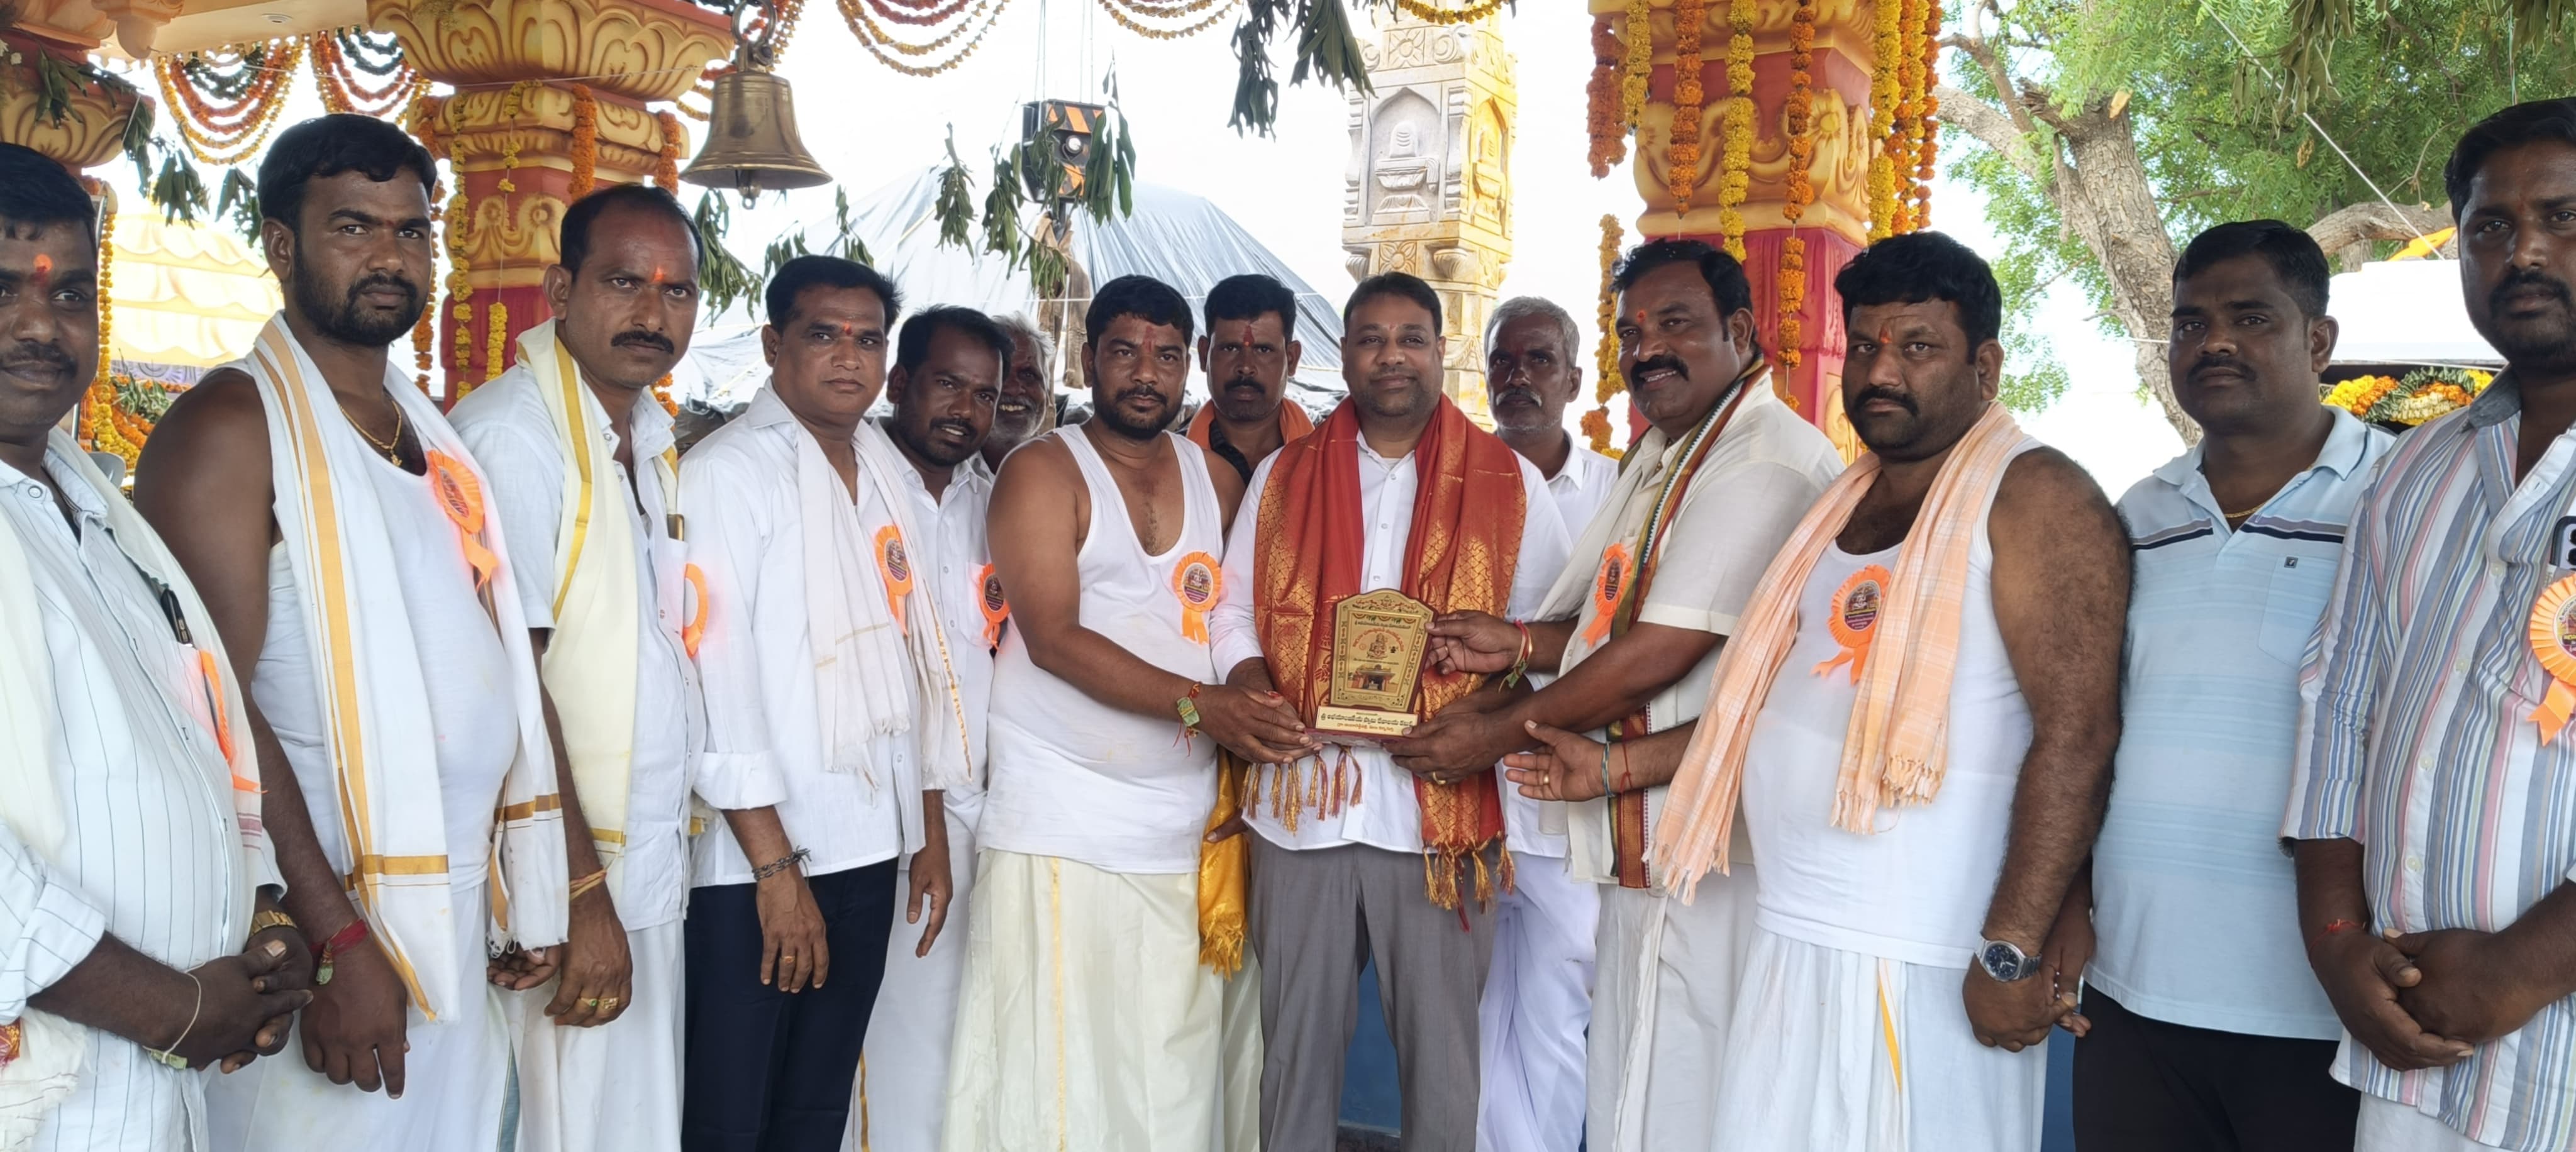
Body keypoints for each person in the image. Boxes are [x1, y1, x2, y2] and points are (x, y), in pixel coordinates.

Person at [1518, 232, 2126, 1149]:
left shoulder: (2034, 496)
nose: (1882, 371)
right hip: (1788, 936)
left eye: (1917, 346)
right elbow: (1771, 712)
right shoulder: (1845, 503)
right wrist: (1615, 769)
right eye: (1867, 345)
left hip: (1921, 954)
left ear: (1986, 366)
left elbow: (2078, 737)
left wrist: (2010, 947)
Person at [136, 114, 573, 1152]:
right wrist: (334, 938)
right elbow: (207, 712)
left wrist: (530, 887)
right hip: (331, 934)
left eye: (411, 231)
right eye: (353, 227)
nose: (390, 255)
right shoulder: (233, 428)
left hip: (456, 915)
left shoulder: (428, 430)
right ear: (281, 245)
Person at [1412, 242, 1841, 1152]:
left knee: (1692, 1082)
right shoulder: (1667, 454)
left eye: (1674, 324)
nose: (1647, 349)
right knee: (1630, 1072)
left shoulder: (1761, 458)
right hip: (1639, 823)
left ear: (1739, 330)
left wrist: (1494, 732)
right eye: (1632, 332)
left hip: (1711, 840)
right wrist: (1522, 643)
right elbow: (1619, 622)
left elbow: (1660, 650)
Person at [1210, 271, 1573, 1152]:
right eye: (1371, 339)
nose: (1391, 356)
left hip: (1438, 815)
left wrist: (1483, 719)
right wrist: (1257, 686)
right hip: (1304, 805)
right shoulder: (1285, 476)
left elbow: (1551, 637)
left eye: (1411, 338)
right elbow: (1231, 612)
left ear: (1441, 351)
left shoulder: (1510, 481)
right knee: (1294, 1056)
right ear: (1344, 356)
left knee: (1444, 1063)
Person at [0, 141, 311, 1152]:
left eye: (70, 294)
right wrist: (170, 1008)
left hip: (154, 1081)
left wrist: (262, 909)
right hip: (47, 1090)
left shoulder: (92, 503)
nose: (40, 325)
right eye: (3, 290)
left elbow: (195, 726)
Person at [2289, 97, 2576, 1152]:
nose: (2524, 252)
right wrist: (2336, 944)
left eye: (2562, 217)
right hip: (2414, 1057)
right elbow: (2337, 708)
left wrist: (2519, 970)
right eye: (2490, 227)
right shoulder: (2416, 468)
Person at [2061, 221, 2384, 1151]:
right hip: (2132, 990)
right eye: (2190, 323)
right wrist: (2071, 905)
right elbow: (2090, 725)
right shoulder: (2139, 511)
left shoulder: (2397, 494)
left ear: (2318, 341)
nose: (2215, 344)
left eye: (2251, 318)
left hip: (2319, 1004)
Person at [944, 275, 1277, 1151]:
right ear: (1089, 358)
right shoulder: (1042, 471)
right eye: (1124, 352)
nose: (1145, 374)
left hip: (1183, 820)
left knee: (1172, 1063)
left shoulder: (1217, 479)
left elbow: (1234, 620)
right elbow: (1052, 637)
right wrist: (1204, 706)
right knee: (1062, 1063)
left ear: (1189, 365)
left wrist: (1248, 704)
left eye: (1165, 356)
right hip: (1063, 816)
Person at [677, 255, 969, 1152]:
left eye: (868, 339)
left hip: (869, 844)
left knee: (816, 1104)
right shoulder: (728, 474)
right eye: (823, 335)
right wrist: (776, 873)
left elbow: (916, 666)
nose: (849, 357)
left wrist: (926, 831)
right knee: (732, 1109)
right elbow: (720, 684)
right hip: (757, 866)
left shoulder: (883, 471)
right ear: (774, 344)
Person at [447, 182, 708, 1152]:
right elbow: (510, 687)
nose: (653, 313)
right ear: (561, 289)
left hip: (640, 860)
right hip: (567, 881)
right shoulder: (518, 437)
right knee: (562, 1126)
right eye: (624, 283)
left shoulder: (644, 434)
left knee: (625, 1122)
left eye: (677, 291)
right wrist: (579, 893)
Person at [848, 304, 1009, 1152]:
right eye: (948, 384)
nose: (965, 410)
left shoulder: (994, 499)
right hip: (896, 813)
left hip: (988, 809)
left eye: (984, 395)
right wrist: (928, 820)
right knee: (896, 1034)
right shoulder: (854, 485)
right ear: (901, 381)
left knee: (962, 1033)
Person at [1485, 296, 1619, 533]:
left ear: (1573, 384)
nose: (1518, 378)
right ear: (1485, 378)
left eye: (1540, 360)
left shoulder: (1616, 490)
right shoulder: (1447, 481)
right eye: (1502, 361)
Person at [1186, 273, 1314, 482]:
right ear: (1204, 354)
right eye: (1230, 348)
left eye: (1263, 350)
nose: (1245, 367)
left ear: (1291, 359)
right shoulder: (1168, 464)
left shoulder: (1332, 462)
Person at [980, 313, 1055, 475]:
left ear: (1047, 391)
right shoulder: (942, 472)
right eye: (1001, 373)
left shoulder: (1069, 471)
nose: (1014, 389)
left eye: (1028, 375)